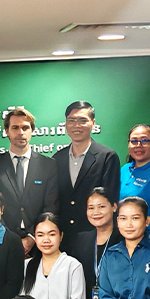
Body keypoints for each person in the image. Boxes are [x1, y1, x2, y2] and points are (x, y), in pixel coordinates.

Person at [0, 108, 60, 255]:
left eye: (25, 127)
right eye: (15, 127)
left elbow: (51, 205)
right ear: (6, 131)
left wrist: (32, 237)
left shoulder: (48, 165)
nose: (20, 132)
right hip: (5, 243)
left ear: (32, 131)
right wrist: (11, 239)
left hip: (40, 244)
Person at [53, 101, 121, 242]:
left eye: (83, 120)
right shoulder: (57, 158)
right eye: (72, 120)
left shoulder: (107, 156)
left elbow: (110, 200)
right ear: (66, 124)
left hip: (95, 238)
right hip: (63, 239)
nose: (76, 125)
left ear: (93, 123)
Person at [20, 213, 86, 299]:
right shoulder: (27, 266)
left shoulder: (72, 265)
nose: (46, 240)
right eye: (40, 235)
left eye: (51, 234)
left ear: (61, 236)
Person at [69, 188, 122, 299]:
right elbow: (74, 282)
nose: (96, 212)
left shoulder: (124, 238)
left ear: (114, 207)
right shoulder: (81, 239)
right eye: (91, 208)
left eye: (101, 206)